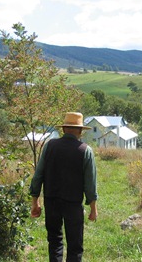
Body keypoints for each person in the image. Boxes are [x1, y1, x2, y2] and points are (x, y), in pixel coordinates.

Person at [30, 112, 98, 262]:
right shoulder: (85, 150)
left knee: (54, 241)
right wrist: (93, 208)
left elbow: (38, 175)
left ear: (64, 129)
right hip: (73, 204)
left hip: (51, 201)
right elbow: (90, 184)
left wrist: (35, 202)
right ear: (80, 131)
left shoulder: (49, 146)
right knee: (75, 246)